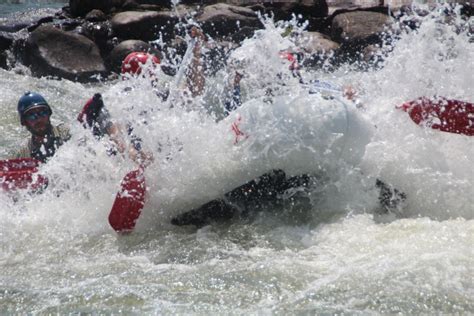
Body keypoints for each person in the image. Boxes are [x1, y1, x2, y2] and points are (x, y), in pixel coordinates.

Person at [14, 92, 71, 163]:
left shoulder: (67, 133)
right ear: (25, 122)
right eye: (31, 116)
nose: (39, 119)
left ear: (49, 114)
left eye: (43, 113)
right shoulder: (24, 153)